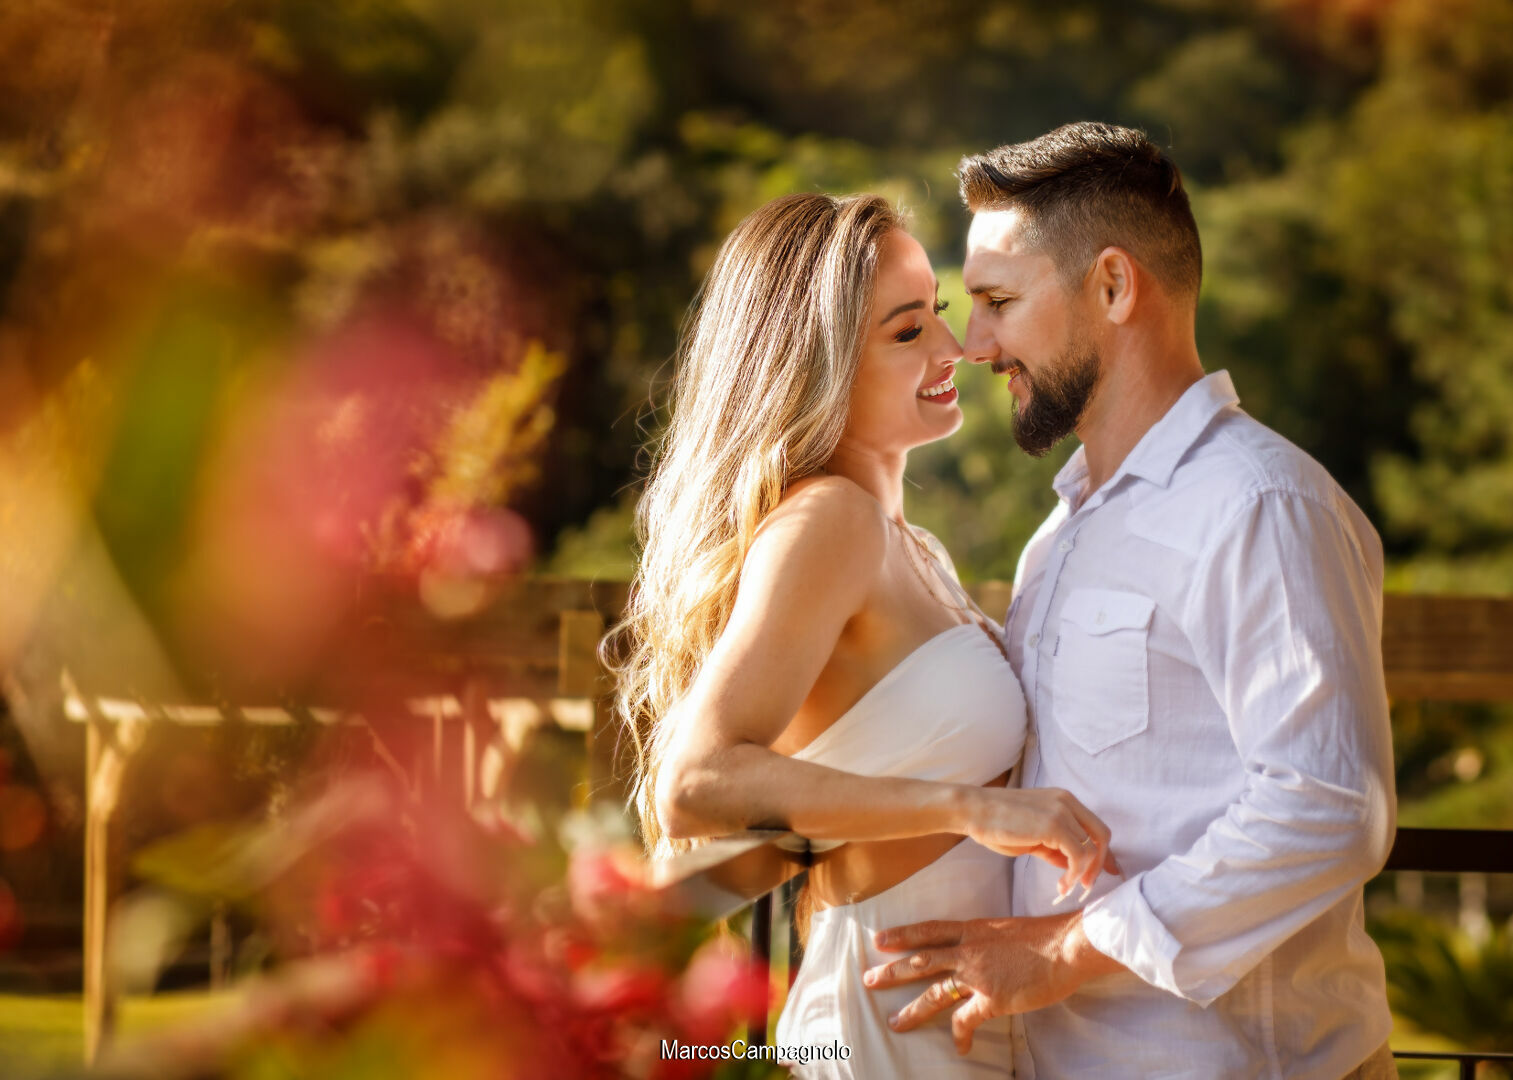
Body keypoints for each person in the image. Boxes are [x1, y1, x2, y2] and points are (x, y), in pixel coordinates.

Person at [862, 122, 1399, 1080]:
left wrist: (1063, 953)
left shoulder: (1259, 505)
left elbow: (1326, 804)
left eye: (997, 301)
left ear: (1112, 287)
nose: (974, 344)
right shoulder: (1060, 532)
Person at [607, 191, 1116, 1077]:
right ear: (820, 362)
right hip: (883, 1025)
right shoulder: (830, 523)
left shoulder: (906, 544)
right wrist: (971, 807)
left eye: (941, 317)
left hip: (945, 1017)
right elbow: (698, 777)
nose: (955, 350)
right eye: (906, 330)